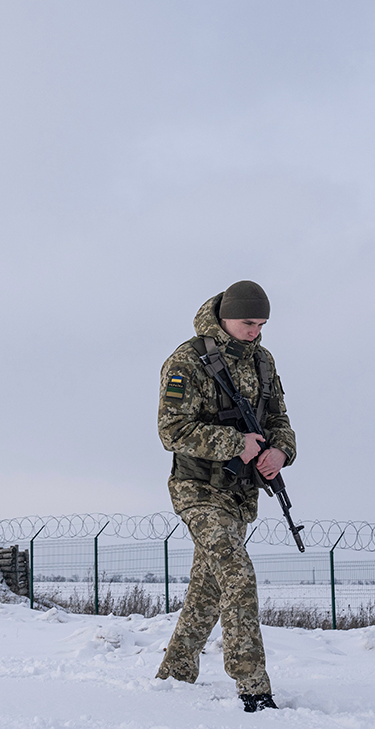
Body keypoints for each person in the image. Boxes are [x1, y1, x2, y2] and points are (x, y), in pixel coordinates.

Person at [153, 280, 296, 714]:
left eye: (262, 324)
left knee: (208, 588)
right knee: (236, 574)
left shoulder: (264, 362)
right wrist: (235, 444)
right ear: (224, 317)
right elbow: (171, 431)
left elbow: (279, 420)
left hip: (240, 494)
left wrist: (279, 452)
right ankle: (252, 685)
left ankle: (173, 675)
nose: (255, 331)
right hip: (197, 489)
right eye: (247, 322)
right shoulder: (188, 360)